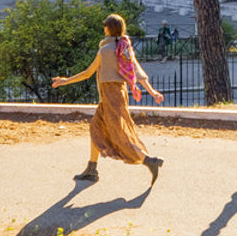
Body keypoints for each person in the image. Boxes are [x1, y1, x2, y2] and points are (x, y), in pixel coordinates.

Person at [50, 14, 164, 184]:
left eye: (105, 26)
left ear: (108, 29)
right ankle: (92, 168)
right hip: (118, 94)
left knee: (120, 135)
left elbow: (88, 73)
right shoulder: (125, 47)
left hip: (110, 95)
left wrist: (65, 81)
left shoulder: (105, 50)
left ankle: (149, 161)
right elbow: (138, 73)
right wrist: (152, 92)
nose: (104, 29)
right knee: (96, 128)